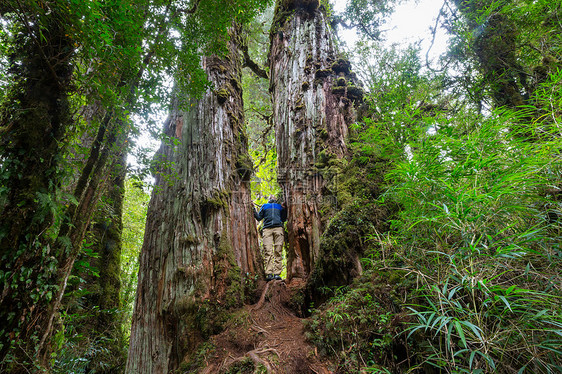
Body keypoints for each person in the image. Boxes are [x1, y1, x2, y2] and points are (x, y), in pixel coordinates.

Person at [254, 195, 287, 281]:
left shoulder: (279, 206)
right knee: (268, 251)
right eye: (270, 197)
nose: (272, 197)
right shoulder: (264, 206)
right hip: (267, 229)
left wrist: (285, 209)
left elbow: (283, 219)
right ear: (268, 199)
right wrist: (253, 209)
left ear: (276, 199)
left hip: (278, 228)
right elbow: (259, 217)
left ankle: (276, 274)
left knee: (278, 250)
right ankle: (269, 273)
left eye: (273, 197)